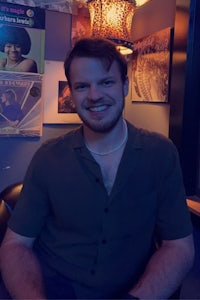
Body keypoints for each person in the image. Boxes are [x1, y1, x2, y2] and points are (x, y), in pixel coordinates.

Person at [0, 38, 194, 299]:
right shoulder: (48, 159)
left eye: (106, 82)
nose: (94, 96)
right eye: (82, 86)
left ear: (124, 85)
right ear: (71, 93)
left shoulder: (161, 154)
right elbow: (16, 245)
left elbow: (179, 246)